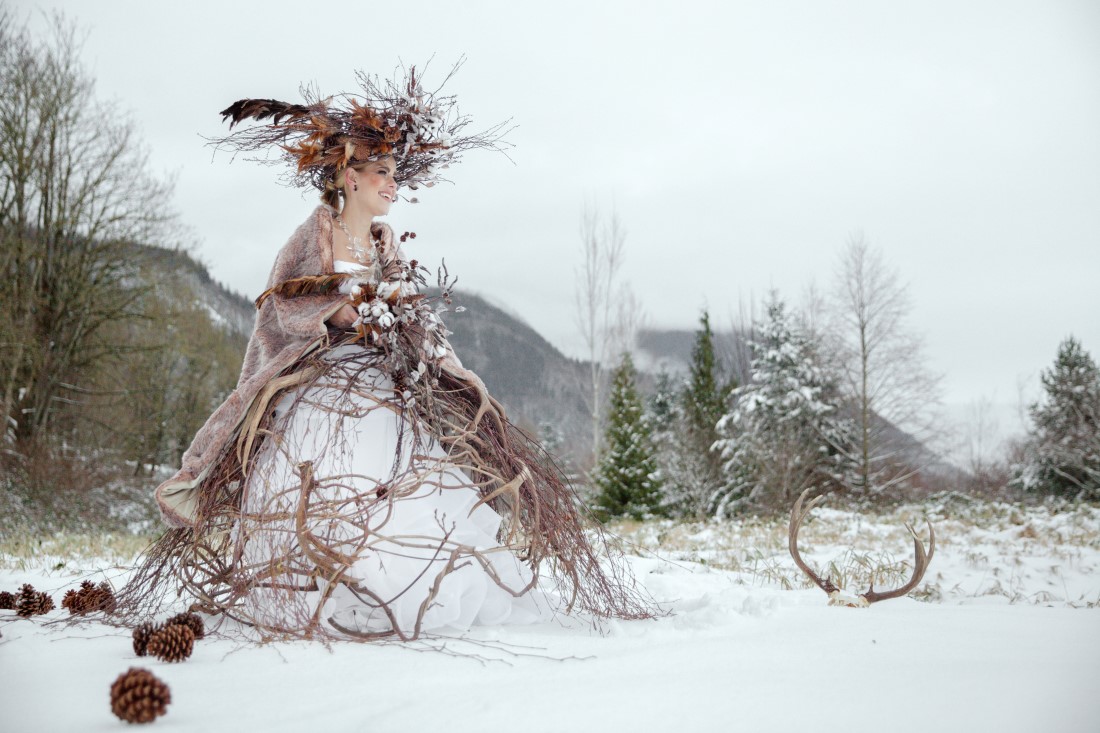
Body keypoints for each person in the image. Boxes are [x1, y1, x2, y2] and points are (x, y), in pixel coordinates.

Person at [120, 66, 651, 641]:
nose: (393, 184)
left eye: (395, 174)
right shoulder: (312, 234)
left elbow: (409, 306)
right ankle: (320, 579)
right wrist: (337, 312)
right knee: (328, 464)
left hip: (384, 373)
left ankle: (406, 584)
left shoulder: (384, 241)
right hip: (324, 376)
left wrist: (407, 331)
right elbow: (280, 305)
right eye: (382, 173)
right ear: (349, 176)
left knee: (413, 463)